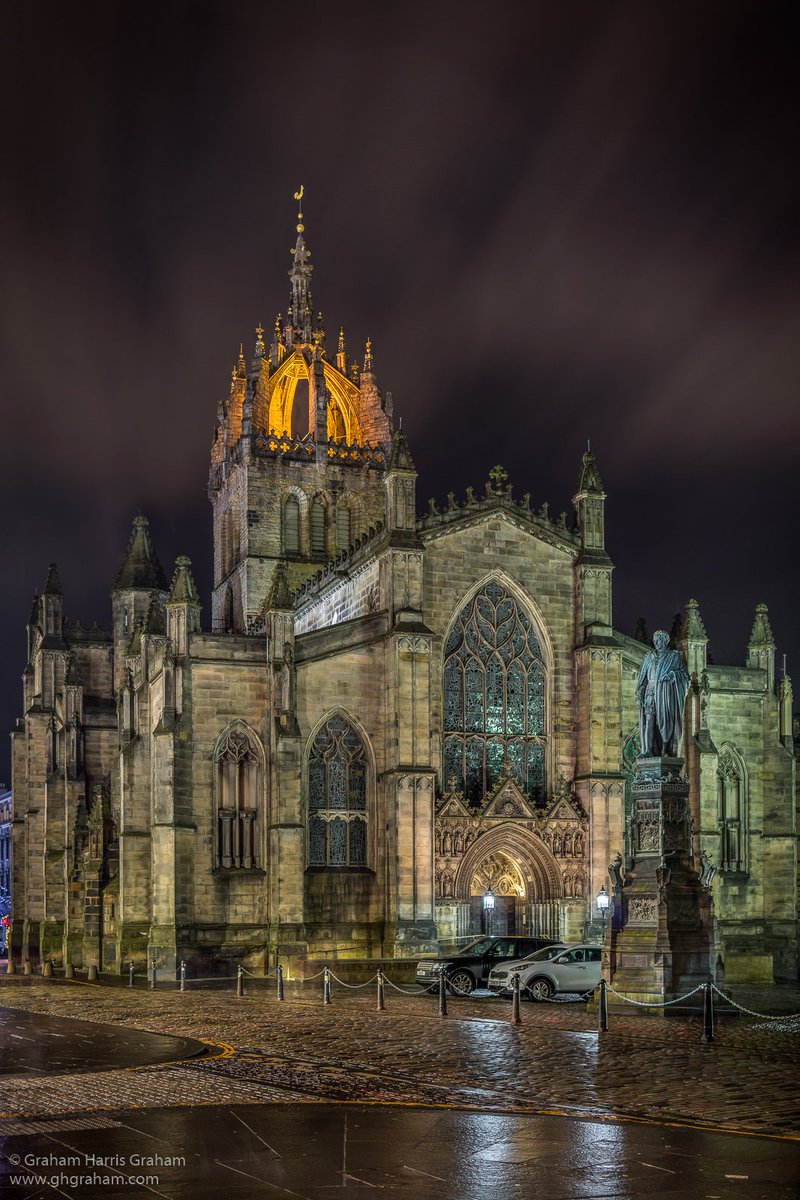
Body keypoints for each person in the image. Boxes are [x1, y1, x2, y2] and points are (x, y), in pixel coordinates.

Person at [635, 630, 690, 757]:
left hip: (665, 694)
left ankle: (666, 750)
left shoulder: (673, 656)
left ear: (665, 641)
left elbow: (684, 675)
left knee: (665, 722)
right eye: (654, 641)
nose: (656, 643)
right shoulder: (649, 657)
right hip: (650, 692)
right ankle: (647, 750)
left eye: (659, 640)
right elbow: (643, 678)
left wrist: (673, 675)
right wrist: (640, 692)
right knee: (649, 721)